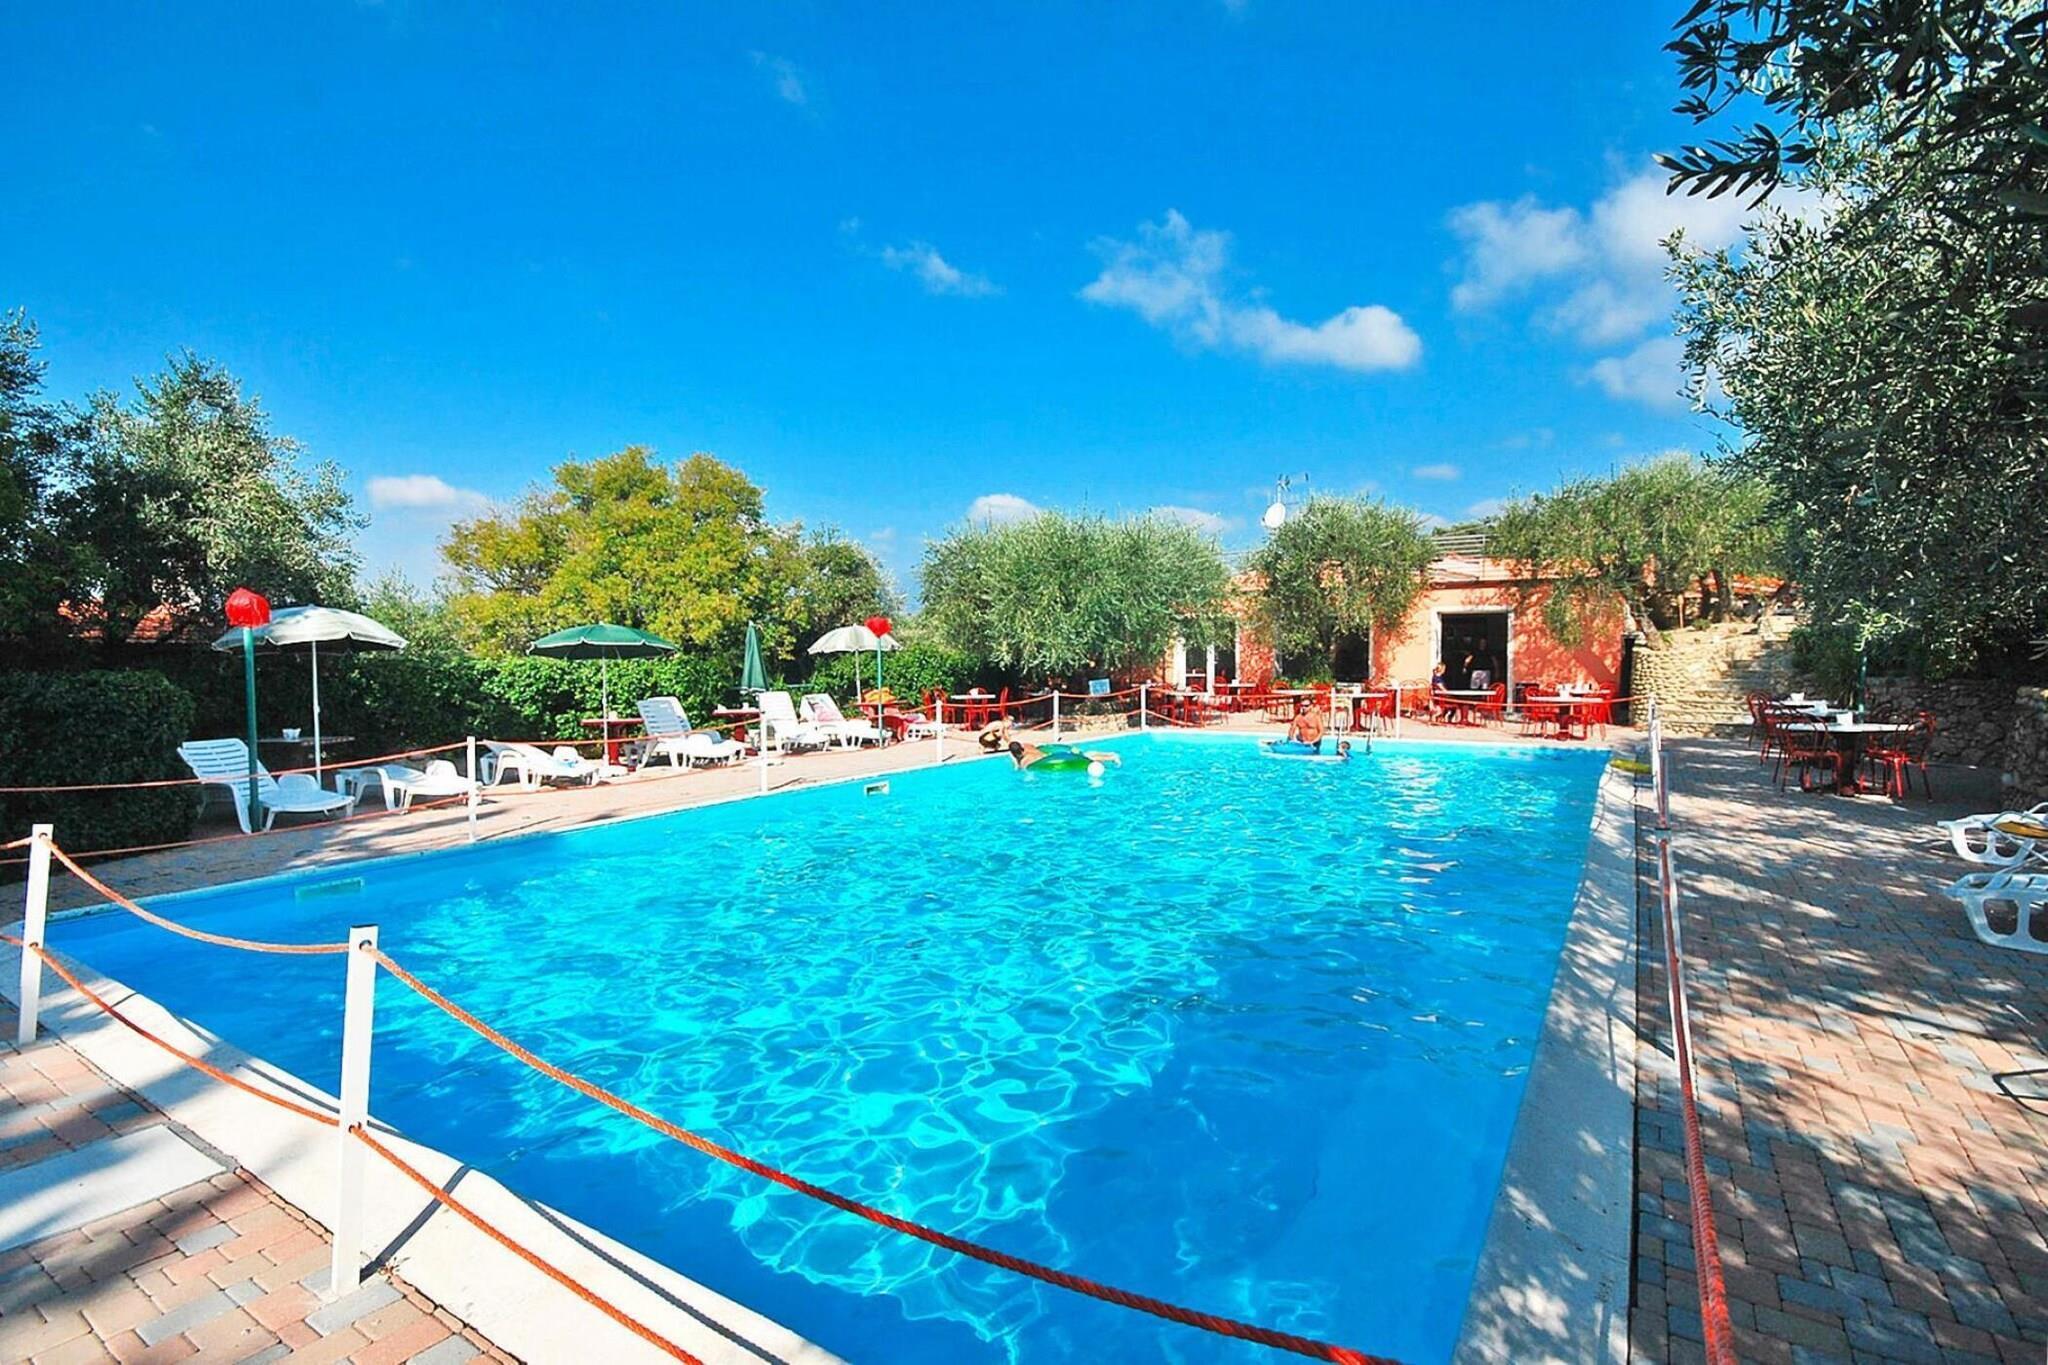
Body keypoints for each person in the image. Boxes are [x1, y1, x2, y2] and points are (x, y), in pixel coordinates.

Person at [1008, 740, 1121, 771]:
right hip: (1051, 754)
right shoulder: (1027, 746)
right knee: (1085, 754)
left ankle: (1111, 758)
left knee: (1086, 758)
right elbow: (1040, 747)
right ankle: (1109, 755)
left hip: (1052, 759)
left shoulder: (1025, 761)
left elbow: (1025, 769)